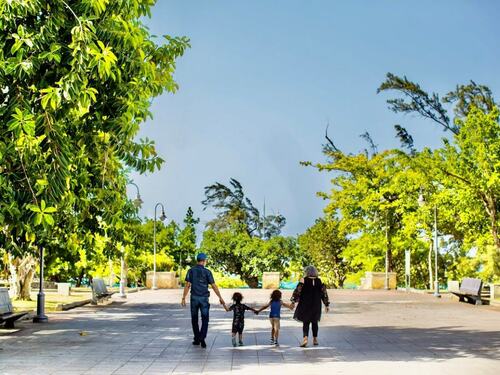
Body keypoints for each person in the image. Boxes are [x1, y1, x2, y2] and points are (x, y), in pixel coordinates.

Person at [181, 253, 225, 348]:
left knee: (194, 319)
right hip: (204, 299)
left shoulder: (191, 271)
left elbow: (187, 285)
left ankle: (197, 339)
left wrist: (183, 298)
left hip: (194, 298)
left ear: (197, 260)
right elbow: (213, 286)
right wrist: (220, 297)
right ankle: (202, 337)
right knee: (205, 319)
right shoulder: (207, 272)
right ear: (204, 260)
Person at [291, 265, 330, 347]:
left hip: (305, 304)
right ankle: (315, 339)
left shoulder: (303, 280)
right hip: (316, 304)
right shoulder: (319, 281)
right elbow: (324, 293)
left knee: (306, 322)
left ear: (307, 272)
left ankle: (305, 339)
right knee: (315, 322)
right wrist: (326, 304)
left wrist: (293, 301)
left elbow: (298, 291)